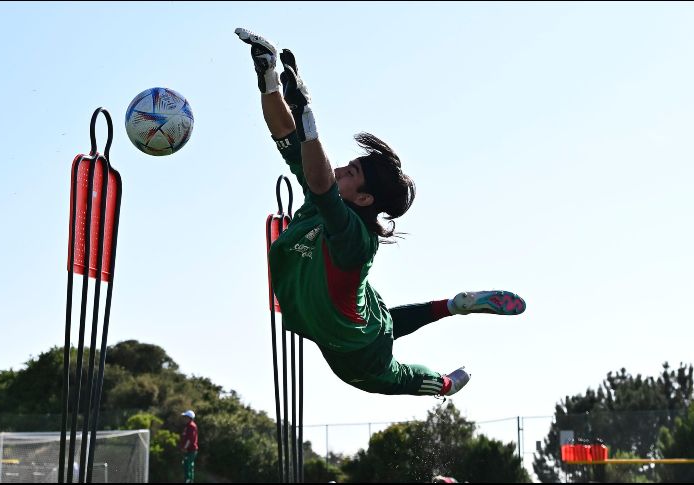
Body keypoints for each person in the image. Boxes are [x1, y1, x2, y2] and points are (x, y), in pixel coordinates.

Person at [236, 28, 527, 398]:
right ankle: (455, 307)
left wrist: (306, 111)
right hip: (349, 330)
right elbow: (284, 133)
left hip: (355, 346)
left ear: (363, 199)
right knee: (386, 325)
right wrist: (267, 77)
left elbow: (322, 180)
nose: (340, 170)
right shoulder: (322, 193)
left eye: (351, 173)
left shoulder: (354, 239)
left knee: (400, 372)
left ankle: (447, 378)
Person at [179, 410, 198, 483]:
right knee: (188, 465)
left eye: (186, 417)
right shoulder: (188, 426)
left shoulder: (191, 426)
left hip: (190, 450)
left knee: (188, 466)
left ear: (190, 418)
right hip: (189, 450)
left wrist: (185, 448)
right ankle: (189, 480)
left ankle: (188, 481)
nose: (184, 419)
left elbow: (190, 439)